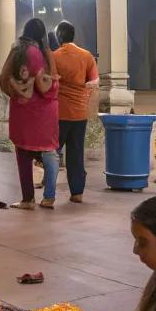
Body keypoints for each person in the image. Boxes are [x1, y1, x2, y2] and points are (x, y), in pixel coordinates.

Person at [0, 17, 59, 209]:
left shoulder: (18, 50)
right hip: (45, 113)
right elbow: (49, 84)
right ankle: (49, 197)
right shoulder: (44, 54)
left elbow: (3, 77)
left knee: (23, 154)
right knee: (50, 153)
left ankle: (28, 199)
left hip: (23, 111)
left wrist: (16, 94)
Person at [54, 21, 99, 204]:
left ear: (59, 37)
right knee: (76, 152)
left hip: (59, 112)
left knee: (52, 152)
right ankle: (77, 193)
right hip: (80, 113)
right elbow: (94, 81)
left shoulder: (54, 56)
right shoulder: (86, 56)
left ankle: (49, 192)